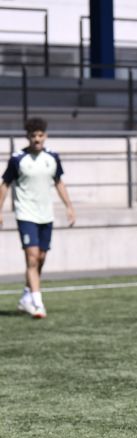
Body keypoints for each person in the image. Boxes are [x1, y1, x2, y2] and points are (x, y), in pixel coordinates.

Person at [0, 117, 75, 319]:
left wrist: (69, 206)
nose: (37, 139)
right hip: (26, 214)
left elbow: (59, 182)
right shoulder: (18, 159)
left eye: (40, 135)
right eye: (33, 135)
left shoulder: (52, 157)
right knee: (32, 257)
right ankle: (38, 303)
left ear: (45, 136)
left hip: (46, 215)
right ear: (28, 137)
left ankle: (27, 296)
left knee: (40, 258)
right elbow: (5, 184)